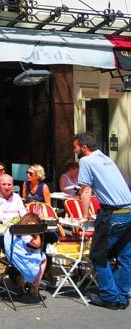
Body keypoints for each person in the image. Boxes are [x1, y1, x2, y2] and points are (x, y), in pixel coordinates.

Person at [73, 131, 131, 310]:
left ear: (84, 147)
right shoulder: (105, 158)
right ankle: (122, 295)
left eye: (75, 147)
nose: (73, 150)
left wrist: (83, 215)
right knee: (125, 256)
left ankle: (110, 297)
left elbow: (86, 190)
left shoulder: (86, 160)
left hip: (113, 213)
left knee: (98, 255)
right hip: (128, 209)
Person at [0, 173, 28, 290]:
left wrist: (24, 221)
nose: (7, 187)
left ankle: (22, 273)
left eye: (9, 184)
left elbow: (23, 213)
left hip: (16, 230)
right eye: (4, 184)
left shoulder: (16, 197)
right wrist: (17, 220)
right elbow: (0, 217)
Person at [4, 212, 47, 297]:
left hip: (11, 255)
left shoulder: (12, 229)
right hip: (20, 259)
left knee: (34, 252)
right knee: (43, 257)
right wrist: (36, 233)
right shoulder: (25, 232)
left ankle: (21, 278)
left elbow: (19, 245)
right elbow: (38, 244)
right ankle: (36, 284)